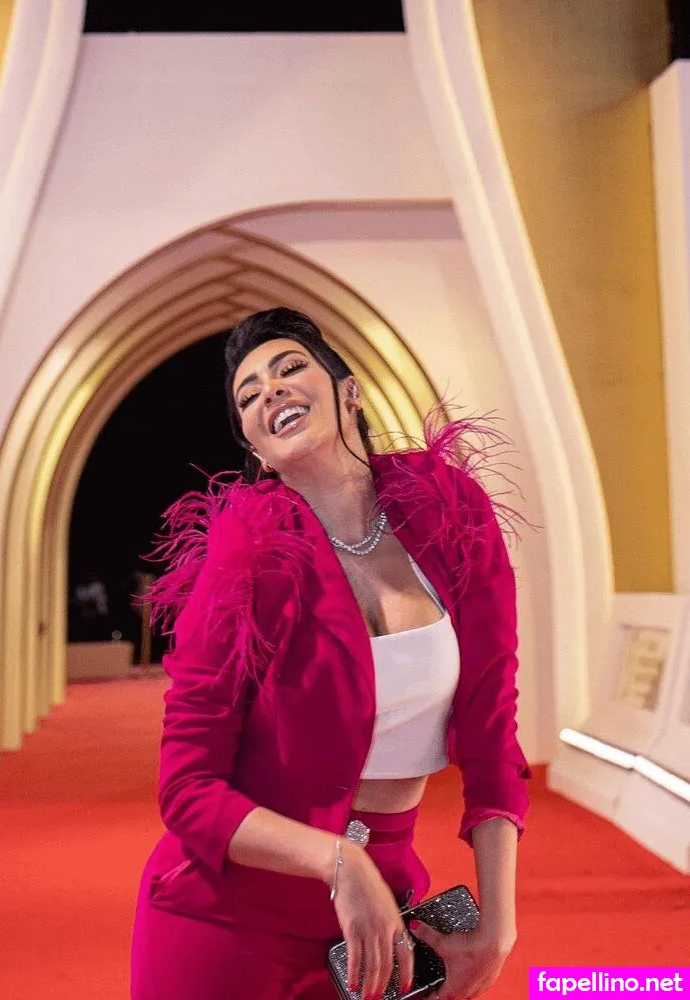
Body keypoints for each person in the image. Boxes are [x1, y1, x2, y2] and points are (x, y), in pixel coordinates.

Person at [130, 308, 531, 1000]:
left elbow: (493, 730)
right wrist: (337, 860)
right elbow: (187, 789)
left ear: (349, 393)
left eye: (289, 369)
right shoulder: (244, 557)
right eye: (249, 395)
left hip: (379, 915)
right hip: (226, 920)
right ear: (258, 450)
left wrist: (498, 924)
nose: (271, 391)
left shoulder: (449, 514)